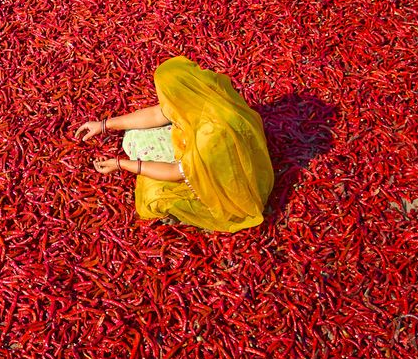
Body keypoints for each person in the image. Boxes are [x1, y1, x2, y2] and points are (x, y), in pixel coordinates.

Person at [75, 56, 275, 233]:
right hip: (211, 149)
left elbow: (175, 173)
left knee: (154, 196)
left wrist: (121, 164)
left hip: (227, 185)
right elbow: (157, 113)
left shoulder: (211, 134)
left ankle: (184, 213)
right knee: (135, 135)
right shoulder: (204, 93)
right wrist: (103, 125)